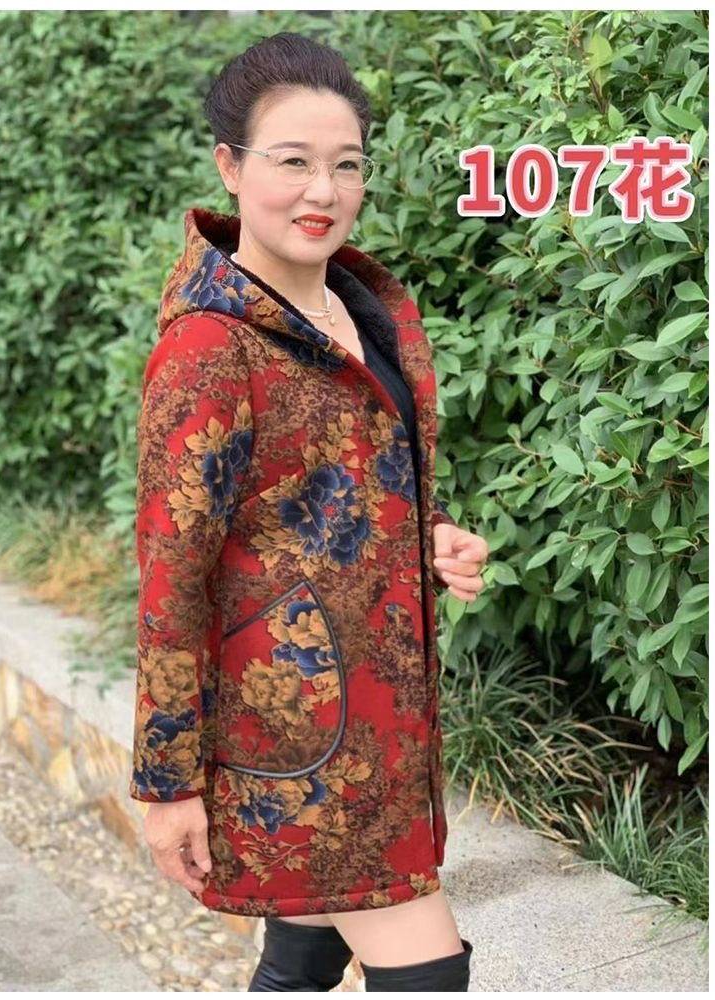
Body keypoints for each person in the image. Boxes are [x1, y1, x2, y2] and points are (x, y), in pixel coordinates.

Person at [129, 31, 487, 992]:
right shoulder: (210, 351)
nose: (323, 190)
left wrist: (431, 539)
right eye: (292, 162)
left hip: (386, 718)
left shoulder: (364, 313)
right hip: (297, 744)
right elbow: (171, 581)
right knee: (428, 973)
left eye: (347, 165)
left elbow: (339, 495)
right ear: (230, 166)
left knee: (304, 952)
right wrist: (166, 783)